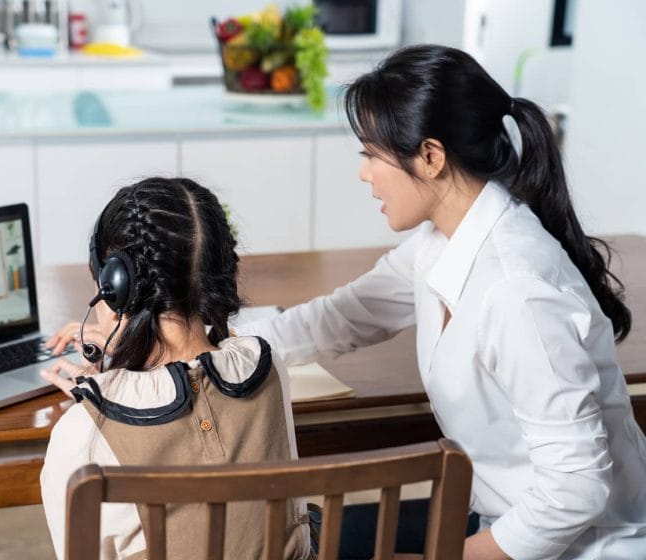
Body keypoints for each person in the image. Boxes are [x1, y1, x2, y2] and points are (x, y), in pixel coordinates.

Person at [235, 44, 646, 559]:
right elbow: (343, 316)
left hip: (579, 546)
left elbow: (578, 489)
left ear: (430, 157)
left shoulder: (517, 291)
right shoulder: (445, 240)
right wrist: (219, 346)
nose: (363, 173)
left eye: (370, 154)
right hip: (504, 518)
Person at [39, 178, 312, 560]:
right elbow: (222, 348)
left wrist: (112, 376)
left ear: (114, 287)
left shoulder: (82, 433)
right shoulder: (268, 369)